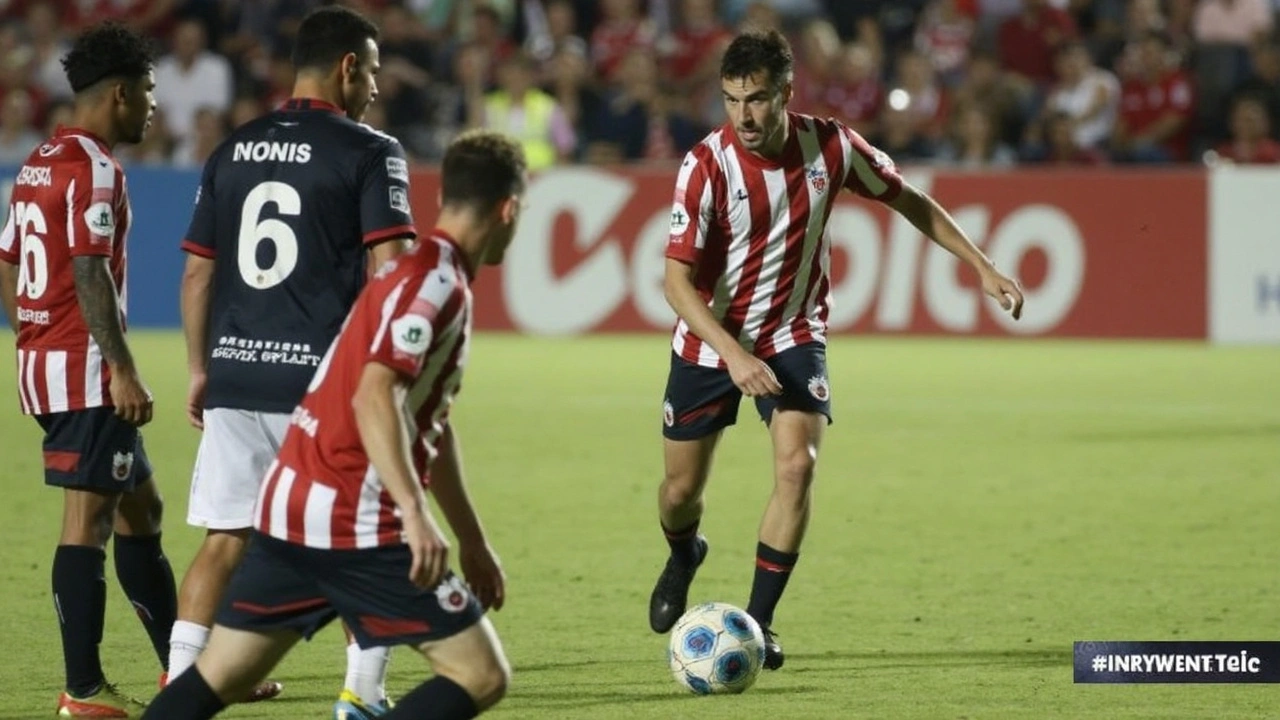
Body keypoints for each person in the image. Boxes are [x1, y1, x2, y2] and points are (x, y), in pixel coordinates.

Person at [648, 28, 1026, 669]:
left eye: (758, 98)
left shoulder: (832, 146)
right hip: (713, 344)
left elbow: (908, 199)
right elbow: (676, 283)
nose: (744, 114)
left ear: (787, 93)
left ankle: (756, 622)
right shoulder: (705, 166)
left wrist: (981, 264)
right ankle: (684, 552)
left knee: (798, 467)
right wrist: (735, 357)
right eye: (732, 99)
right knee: (680, 491)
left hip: (794, 331)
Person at [141, 128, 525, 720]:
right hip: (355, 520)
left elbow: (427, 424)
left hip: (289, 508)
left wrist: (472, 539)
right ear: (509, 209)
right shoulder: (436, 283)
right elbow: (376, 396)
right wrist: (417, 516)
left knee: (211, 681)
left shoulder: (402, 274)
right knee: (480, 674)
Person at [169, 6, 417, 716]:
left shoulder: (232, 148)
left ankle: (181, 680)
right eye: (369, 70)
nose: (373, 85)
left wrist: (200, 368)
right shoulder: (371, 149)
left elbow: (196, 274)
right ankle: (363, 694)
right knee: (361, 542)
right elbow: (391, 269)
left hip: (236, 373)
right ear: (348, 67)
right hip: (320, 387)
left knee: (224, 539)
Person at [0, 23, 178, 718]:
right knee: (89, 520)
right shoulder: (96, 170)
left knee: (144, 511)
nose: (154, 108)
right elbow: (89, 270)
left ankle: (185, 669)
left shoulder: (37, 161)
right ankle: (82, 690)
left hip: (49, 366)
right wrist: (122, 369)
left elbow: (8, 263)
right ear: (120, 93)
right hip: (86, 376)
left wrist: (34, 330)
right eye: (149, 94)